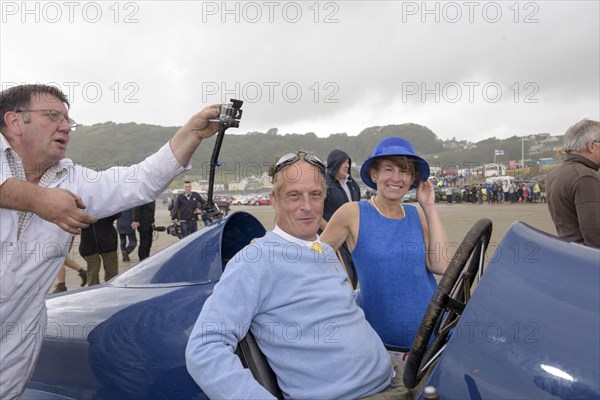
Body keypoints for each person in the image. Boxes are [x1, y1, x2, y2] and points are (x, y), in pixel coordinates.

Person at [0, 83, 222, 399]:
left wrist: (191, 133)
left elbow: (140, 181)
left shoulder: (73, 180)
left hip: (11, 360)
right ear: (14, 121)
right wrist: (37, 199)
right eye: (53, 116)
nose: (65, 126)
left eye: (68, 120)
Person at [186, 151, 410, 399]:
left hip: (391, 374)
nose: (307, 206)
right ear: (274, 200)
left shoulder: (323, 250)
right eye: (294, 195)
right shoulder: (255, 260)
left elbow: (334, 306)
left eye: (315, 195)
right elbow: (205, 347)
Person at [321, 137, 449, 350]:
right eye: (389, 169)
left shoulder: (414, 214)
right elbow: (314, 257)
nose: (397, 178)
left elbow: (441, 265)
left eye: (405, 171)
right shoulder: (353, 213)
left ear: (413, 180)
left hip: (436, 334)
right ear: (374, 174)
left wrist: (429, 207)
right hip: (386, 345)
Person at [546, 119, 600, 248]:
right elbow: (595, 233)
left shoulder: (556, 173)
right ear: (591, 146)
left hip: (570, 252)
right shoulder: (584, 176)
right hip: (588, 259)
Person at [319, 149, 361, 288]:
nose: (347, 165)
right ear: (334, 163)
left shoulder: (353, 185)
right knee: (342, 277)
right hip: (332, 240)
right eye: (343, 162)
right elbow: (316, 214)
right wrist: (332, 231)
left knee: (355, 274)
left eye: (348, 162)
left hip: (352, 239)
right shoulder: (324, 184)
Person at [79, 214, 120, 286]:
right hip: (89, 243)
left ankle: (113, 291)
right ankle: (93, 293)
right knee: (93, 273)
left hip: (108, 240)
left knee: (112, 272)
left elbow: (117, 213)